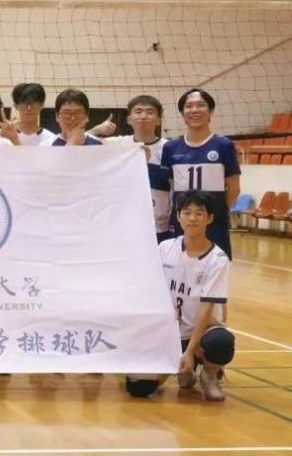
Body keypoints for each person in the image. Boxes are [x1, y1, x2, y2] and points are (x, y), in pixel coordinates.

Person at [124, 191, 234, 402]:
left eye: (199, 213)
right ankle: (185, 373)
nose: (192, 218)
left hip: (202, 333)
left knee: (221, 342)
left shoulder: (217, 259)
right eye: (187, 212)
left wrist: (189, 351)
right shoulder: (165, 248)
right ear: (178, 216)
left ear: (210, 218)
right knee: (138, 387)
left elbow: (206, 310)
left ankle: (209, 374)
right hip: (171, 332)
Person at [161, 89, 241, 257]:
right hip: (182, 222)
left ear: (210, 111)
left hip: (214, 222)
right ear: (182, 113)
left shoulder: (224, 145)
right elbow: (171, 187)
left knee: (215, 265)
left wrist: (214, 212)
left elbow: (234, 188)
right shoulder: (170, 148)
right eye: (189, 106)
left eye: (200, 105)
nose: (195, 110)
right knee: (179, 265)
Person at [103, 95, 172, 242]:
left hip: (159, 227)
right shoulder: (116, 144)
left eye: (150, 112)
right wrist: (95, 131)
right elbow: (80, 145)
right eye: (138, 111)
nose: (143, 116)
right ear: (129, 119)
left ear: (158, 120)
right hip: (123, 226)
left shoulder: (169, 148)